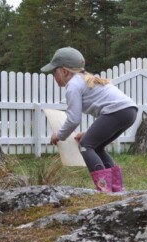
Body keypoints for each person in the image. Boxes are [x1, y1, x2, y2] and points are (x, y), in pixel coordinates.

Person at [41, 47, 138, 193]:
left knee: (86, 146)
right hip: (129, 111)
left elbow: (73, 119)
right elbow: (106, 115)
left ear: (64, 71)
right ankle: (116, 188)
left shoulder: (73, 85)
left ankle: (104, 190)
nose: (53, 75)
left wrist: (59, 135)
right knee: (96, 146)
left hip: (117, 111)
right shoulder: (86, 79)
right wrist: (88, 132)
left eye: (54, 71)